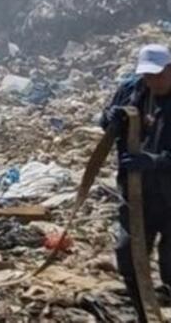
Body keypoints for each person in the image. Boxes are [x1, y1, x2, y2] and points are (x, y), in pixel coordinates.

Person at [101, 44, 171, 319]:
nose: (152, 81)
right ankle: (143, 313)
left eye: (158, 75)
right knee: (128, 255)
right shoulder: (133, 90)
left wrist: (155, 161)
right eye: (147, 75)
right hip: (136, 191)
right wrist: (109, 120)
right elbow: (107, 119)